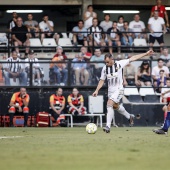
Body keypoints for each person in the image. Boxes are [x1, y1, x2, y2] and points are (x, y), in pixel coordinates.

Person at [92, 50, 154, 133]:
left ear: (111, 59)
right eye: (105, 62)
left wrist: (146, 54)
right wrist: (96, 90)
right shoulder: (105, 68)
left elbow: (133, 58)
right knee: (115, 106)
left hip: (119, 89)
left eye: (107, 61)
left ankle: (107, 126)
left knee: (109, 104)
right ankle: (129, 117)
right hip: (111, 91)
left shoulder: (119, 63)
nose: (106, 63)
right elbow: (102, 80)